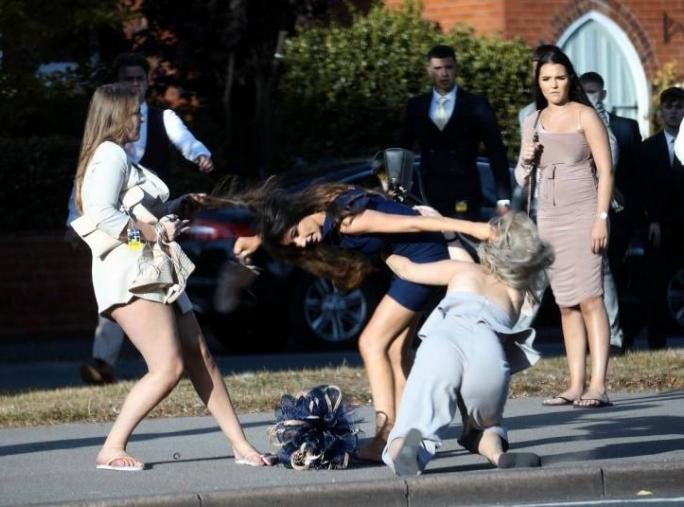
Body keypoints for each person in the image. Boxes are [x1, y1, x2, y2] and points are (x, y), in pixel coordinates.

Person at [76, 83, 273, 471]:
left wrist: (176, 208)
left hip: (153, 269)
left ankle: (241, 446)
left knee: (201, 357)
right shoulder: (110, 154)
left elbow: (132, 214)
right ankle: (112, 447)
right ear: (116, 115)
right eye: (135, 113)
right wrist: (154, 233)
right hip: (132, 274)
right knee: (168, 368)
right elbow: (103, 215)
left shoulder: (121, 158)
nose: (140, 119)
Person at [234, 184, 492, 461]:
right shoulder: (324, 206)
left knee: (371, 343)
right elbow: (288, 221)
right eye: (292, 241)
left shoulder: (349, 222)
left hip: (423, 258)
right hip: (409, 260)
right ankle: (410, 432)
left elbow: (415, 224)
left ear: (301, 215)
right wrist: (258, 239)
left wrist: (476, 228)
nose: (301, 243)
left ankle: (385, 435)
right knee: (396, 351)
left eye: (297, 234)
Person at [76, 52, 214, 385]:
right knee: (131, 280)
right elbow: (100, 207)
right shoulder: (110, 153)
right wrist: (150, 234)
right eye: (129, 79)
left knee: (152, 282)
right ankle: (113, 361)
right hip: (135, 234)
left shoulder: (159, 119)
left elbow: (185, 140)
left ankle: (167, 360)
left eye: (140, 78)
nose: (135, 85)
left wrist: (199, 155)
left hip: (148, 227)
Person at [380, 212, 554, 476]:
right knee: (483, 426)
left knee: (416, 422)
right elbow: (480, 268)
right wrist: (451, 236)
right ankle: (497, 455)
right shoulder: (517, 291)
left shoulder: (462, 271)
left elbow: (407, 269)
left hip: (443, 342)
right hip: (488, 352)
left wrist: (382, 252)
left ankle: (407, 451)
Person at [515, 47, 614, 408]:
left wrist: (601, 218)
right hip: (550, 217)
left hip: (585, 213)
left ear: (569, 78)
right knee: (566, 303)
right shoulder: (533, 120)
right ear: (538, 82)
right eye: (546, 79)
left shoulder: (585, 115)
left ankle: (598, 385)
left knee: (590, 297)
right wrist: (526, 159)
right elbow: (521, 178)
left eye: (559, 77)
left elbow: (606, 171)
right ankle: (574, 385)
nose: (553, 85)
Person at [399, 44, 511, 224]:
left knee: (464, 238)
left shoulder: (476, 105)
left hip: (465, 195)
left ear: (456, 69)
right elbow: (402, 150)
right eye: (438, 68)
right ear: (429, 71)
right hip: (427, 195)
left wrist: (503, 199)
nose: (444, 74)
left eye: (448, 67)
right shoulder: (416, 106)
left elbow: (496, 152)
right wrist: (396, 191)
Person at [580, 71, 643, 353]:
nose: (590, 97)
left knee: (613, 274)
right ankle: (595, 337)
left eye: (594, 91)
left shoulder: (625, 128)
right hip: (582, 208)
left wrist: (634, 215)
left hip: (616, 213)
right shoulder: (575, 122)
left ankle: (618, 337)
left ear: (603, 94)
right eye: (585, 91)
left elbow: (634, 175)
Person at [640, 87, 684, 350]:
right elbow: (644, 188)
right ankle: (657, 339)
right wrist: (653, 220)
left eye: (679, 107)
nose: (674, 113)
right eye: (669, 107)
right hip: (661, 226)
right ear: (660, 113)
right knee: (657, 281)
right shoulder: (649, 148)